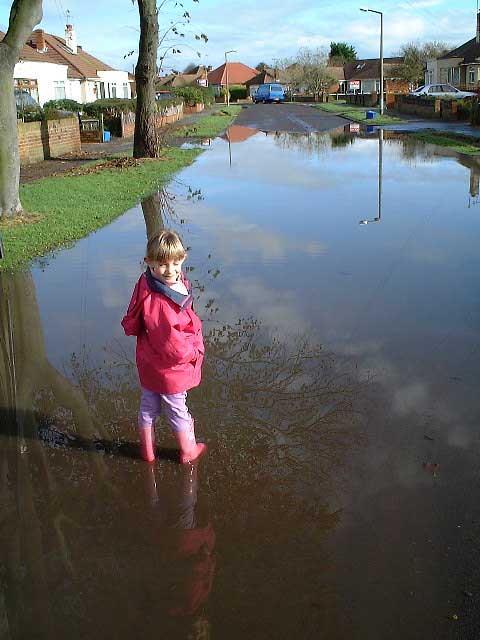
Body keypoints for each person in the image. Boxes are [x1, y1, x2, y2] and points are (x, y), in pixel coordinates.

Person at [121, 230, 206, 464]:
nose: (170, 271)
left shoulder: (147, 282)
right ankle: (188, 451)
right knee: (178, 408)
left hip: (148, 362)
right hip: (171, 370)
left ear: (183, 259)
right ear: (149, 262)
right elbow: (173, 346)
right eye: (162, 265)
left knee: (148, 405)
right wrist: (194, 352)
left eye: (176, 263)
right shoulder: (161, 304)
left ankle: (147, 452)